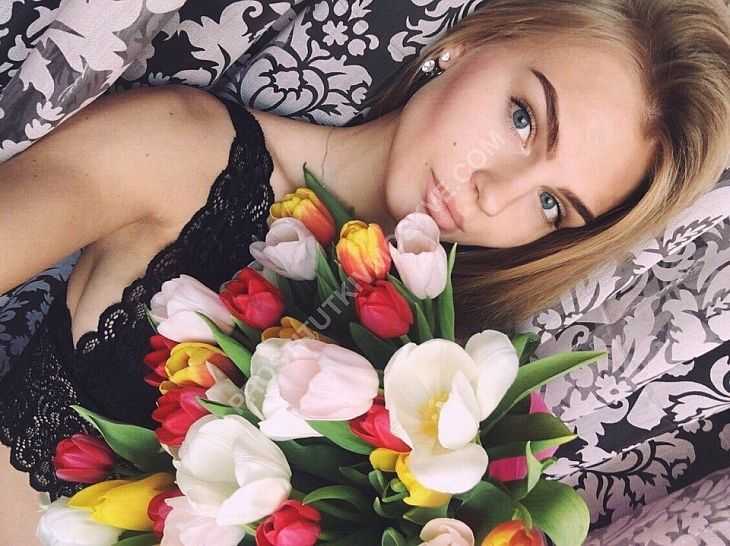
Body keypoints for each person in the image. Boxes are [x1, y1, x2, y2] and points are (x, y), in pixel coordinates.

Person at [0, 0, 728, 540]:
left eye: (550, 204)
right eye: (523, 119)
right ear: (467, 44)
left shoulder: (437, 404)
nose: (493, 193)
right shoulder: (180, 152)